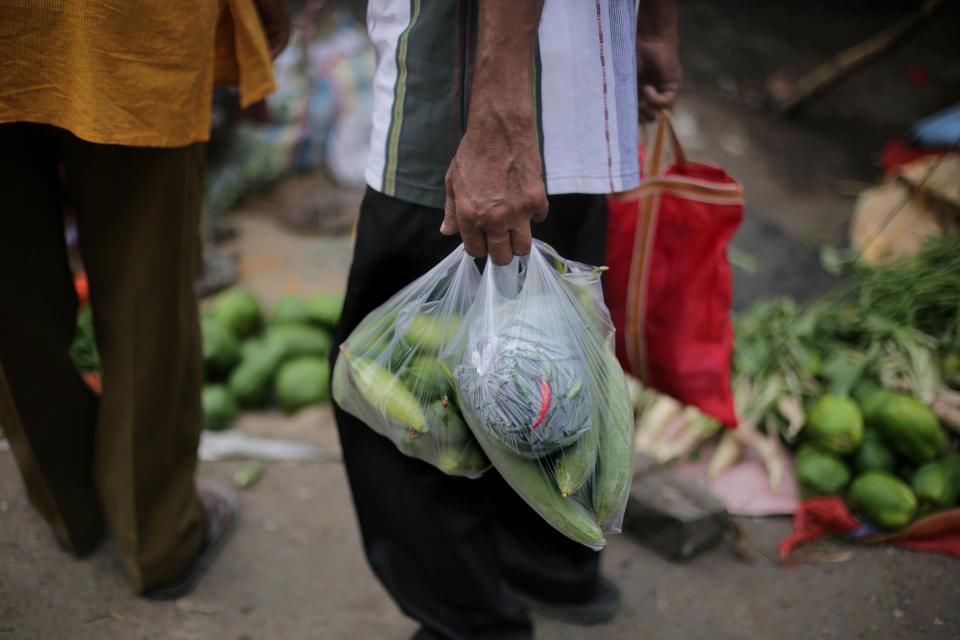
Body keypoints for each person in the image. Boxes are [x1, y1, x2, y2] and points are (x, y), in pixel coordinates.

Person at [332, 1, 680, 638]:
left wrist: (498, 121)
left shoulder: (490, 121)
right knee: (552, 353)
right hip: (580, 87)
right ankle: (548, 565)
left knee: (396, 383)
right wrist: (655, 23)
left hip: (467, 95)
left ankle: (469, 620)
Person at [0, 0, 288, 598]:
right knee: (146, 292)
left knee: (10, 298)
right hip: (128, 28)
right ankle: (154, 538)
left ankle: (68, 510)